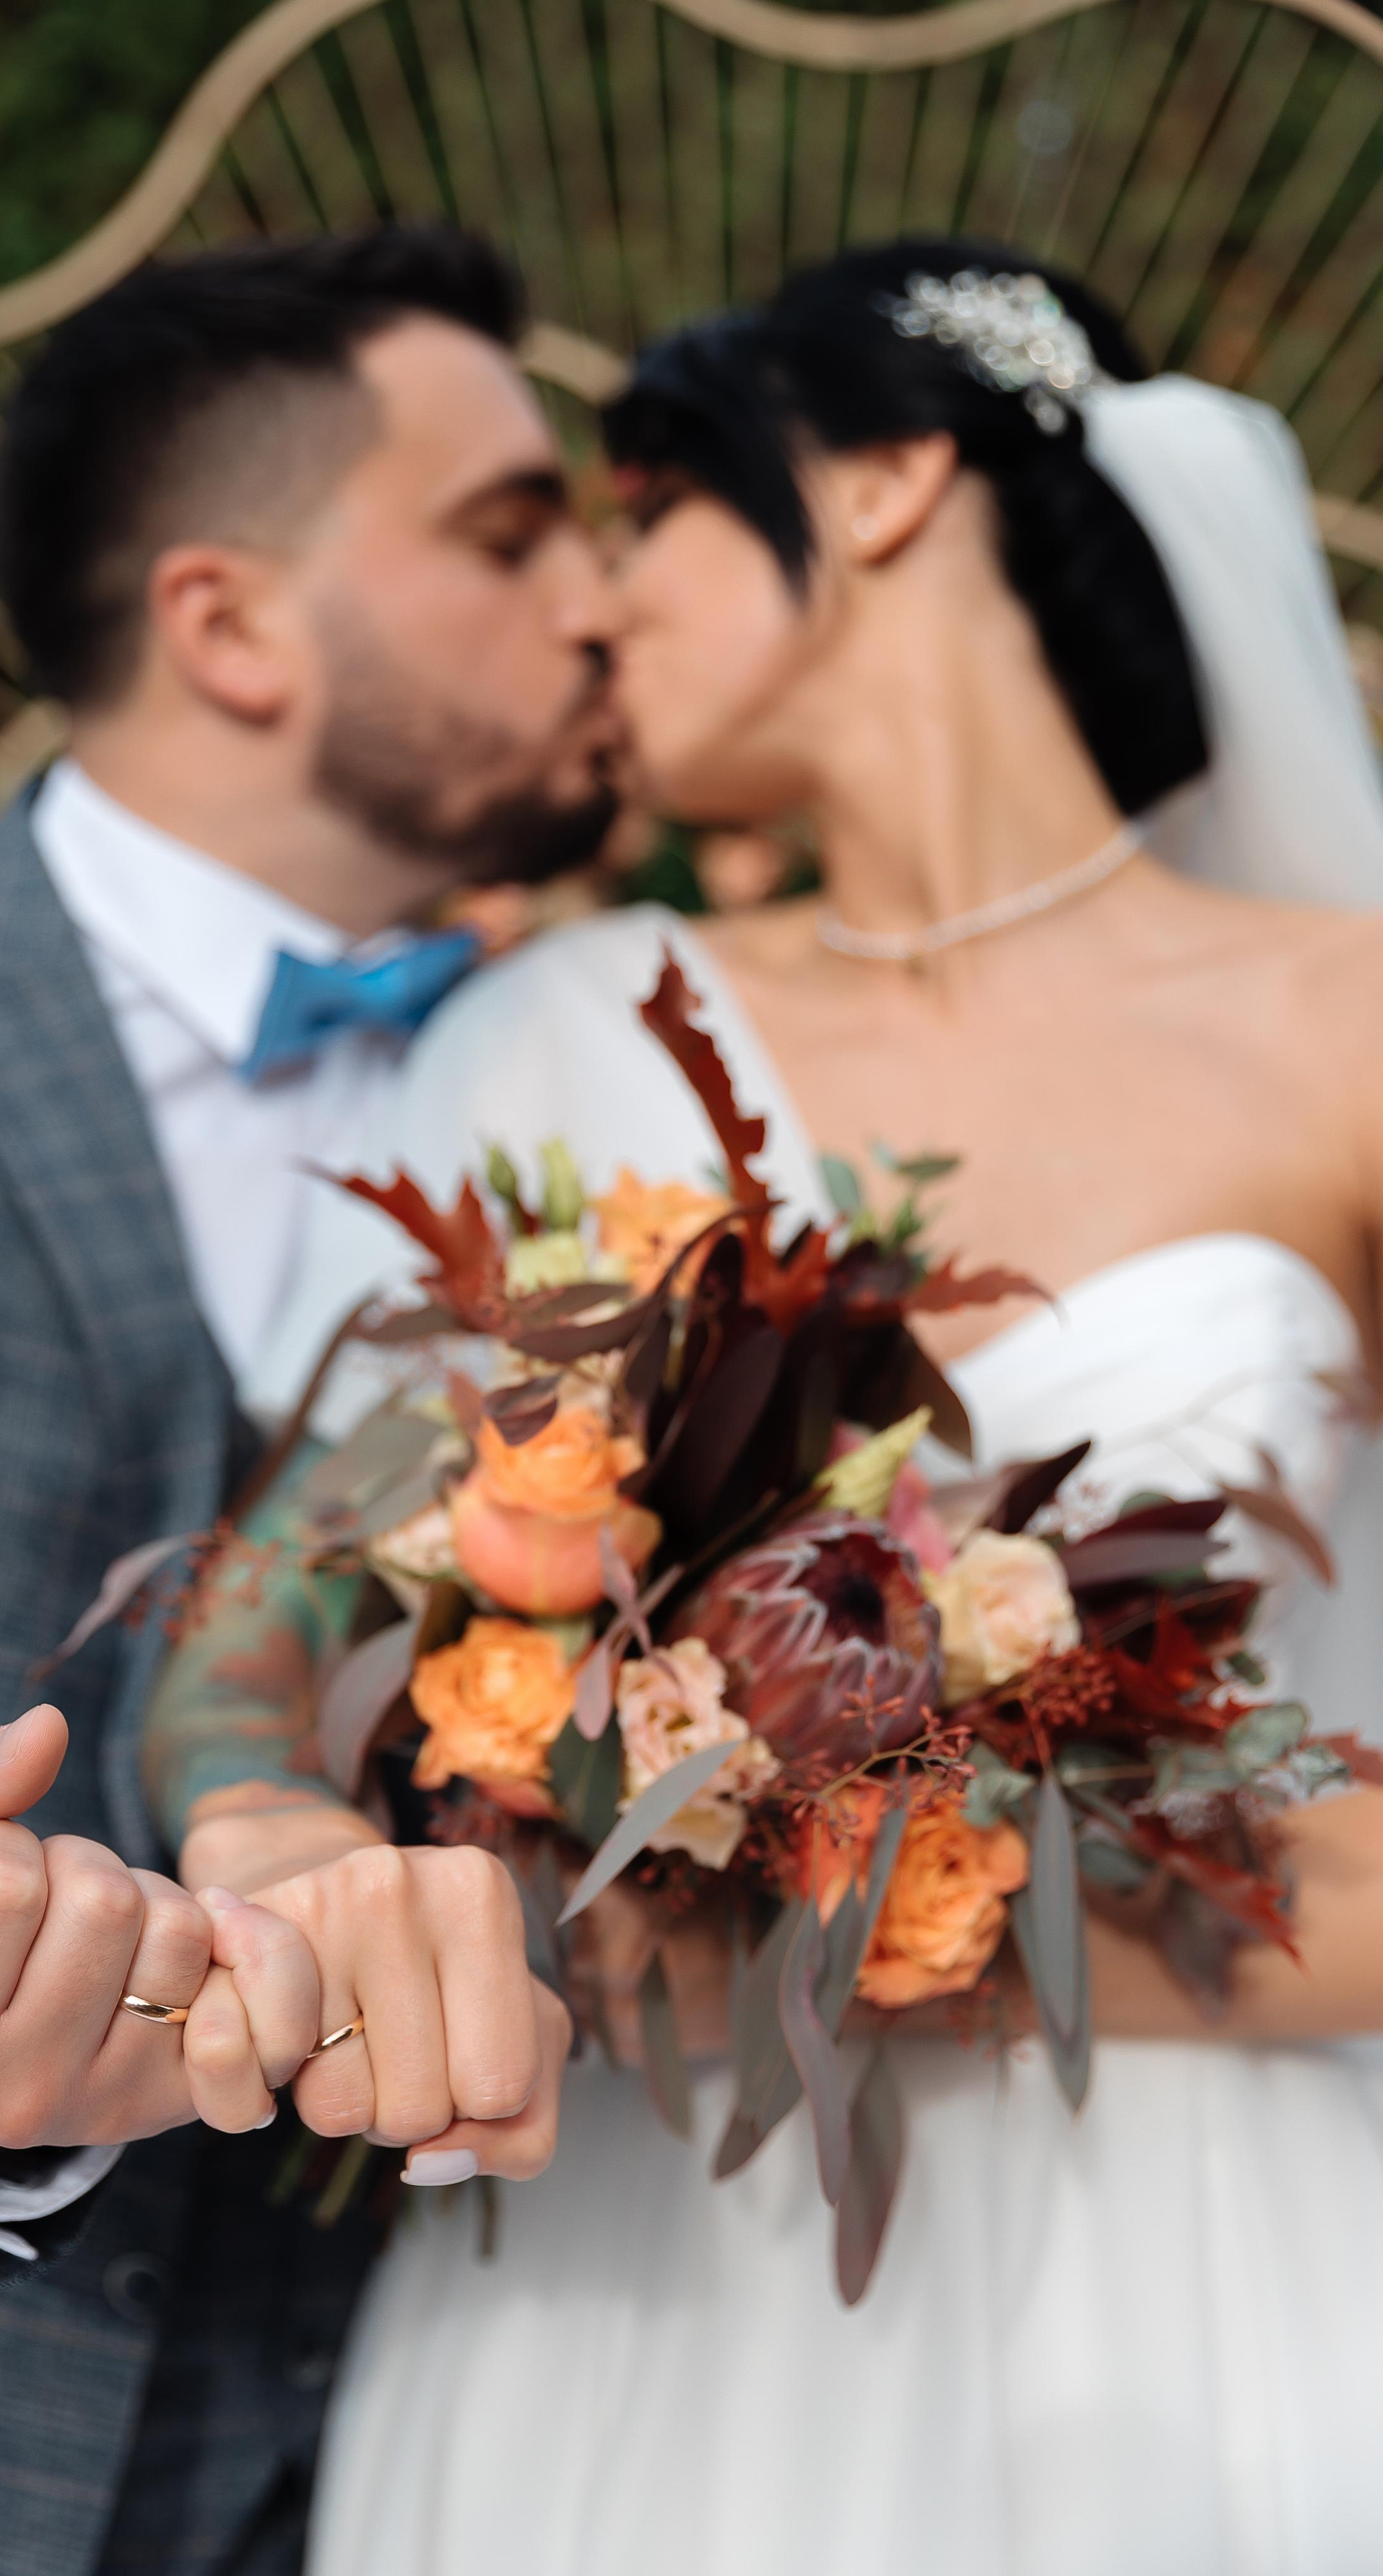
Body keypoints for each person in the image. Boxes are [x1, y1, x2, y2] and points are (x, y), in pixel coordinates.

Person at [280, 241, 1383, 2575]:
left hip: (1199, 2284)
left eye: (652, 512)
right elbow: (341, 1658)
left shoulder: (1345, 1029)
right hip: (637, 2297)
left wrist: (870, 1922)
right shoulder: (559, 1028)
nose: (595, 611)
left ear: (883, 484)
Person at [0, 224, 622, 2576]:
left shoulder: (619, 1085)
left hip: (482, 2413)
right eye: (512, 532)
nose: (601, 600)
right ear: (230, 625)